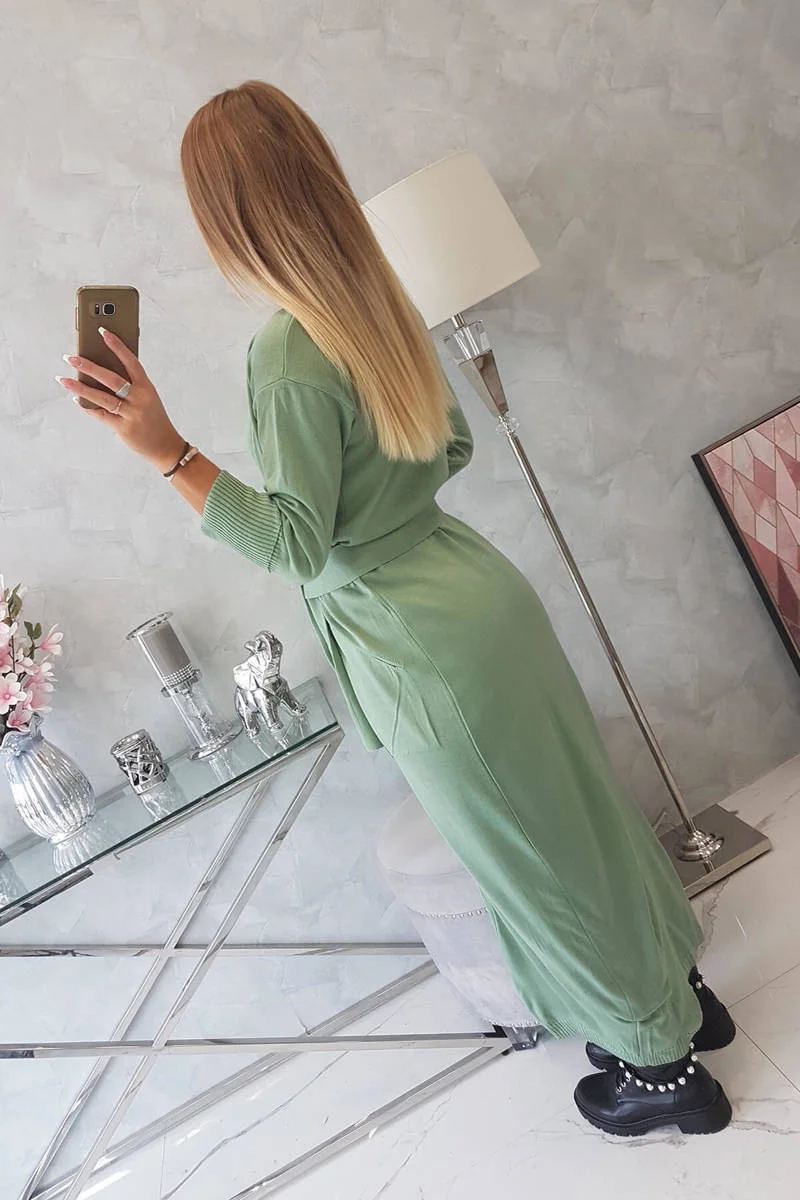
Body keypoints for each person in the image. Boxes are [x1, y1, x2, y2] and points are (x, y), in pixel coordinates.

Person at [56, 81, 736, 1137]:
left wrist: (169, 454)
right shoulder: (372, 294)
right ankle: (675, 991)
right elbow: (449, 446)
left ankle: (659, 1065)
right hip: (474, 591)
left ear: (225, 218)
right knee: (579, 814)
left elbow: (295, 542)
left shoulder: (286, 352)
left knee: (536, 856)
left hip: (418, 640)